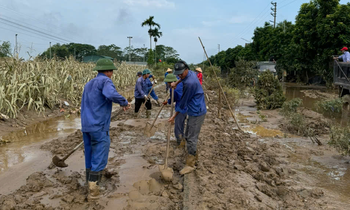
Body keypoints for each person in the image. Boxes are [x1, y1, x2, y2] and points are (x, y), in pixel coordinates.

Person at [81, 58, 131, 199]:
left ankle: (88, 180)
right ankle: (94, 188)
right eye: (111, 71)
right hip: (99, 125)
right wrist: (124, 102)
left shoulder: (89, 83)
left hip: (86, 125)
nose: (112, 74)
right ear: (108, 71)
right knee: (100, 152)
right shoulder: (105, 81)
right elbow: (110, 94)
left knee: (89, 152)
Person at [170, 60, 207, 175]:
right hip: (194, 108)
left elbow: (182, 103)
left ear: (186, 69)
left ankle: (191, 164)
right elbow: (183, 78)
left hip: (197, 111)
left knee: (191, 137)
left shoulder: (189, 83)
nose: (179, 76)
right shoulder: (190, 73)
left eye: (181, 74)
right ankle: (193, 154)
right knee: (188, 133)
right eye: (178, 74)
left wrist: (174, 116)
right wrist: (177, 82)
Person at [163, 74, 187, 147]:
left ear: (170, 82)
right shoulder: (181, 84)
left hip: (181, 108)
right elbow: (174, 98)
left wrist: (174, 115)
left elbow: (176, 99)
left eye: (168, 82)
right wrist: (168, 101)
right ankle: (182, 139)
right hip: (188, 107)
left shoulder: (173, 89)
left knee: (178, 126)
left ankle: (180, 142)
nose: (167, 84)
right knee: (181, 124)